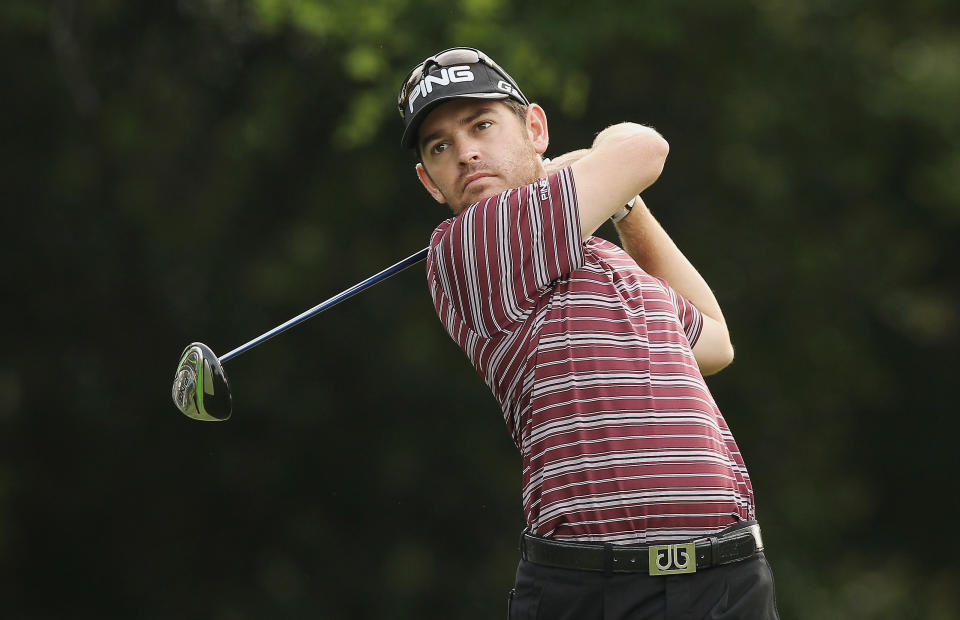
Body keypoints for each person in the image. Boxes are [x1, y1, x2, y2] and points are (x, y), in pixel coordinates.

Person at [397, 47, 779, 619]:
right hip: (597, 591)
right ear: (431, 182)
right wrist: (588, 165)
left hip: (727, 582)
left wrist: (625, 206)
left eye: (481, 126)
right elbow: (645, 147)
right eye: (441, 146)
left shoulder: (604, 258)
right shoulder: (472, 245)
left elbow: (715, 342)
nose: (467, 153)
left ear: (534, 128)